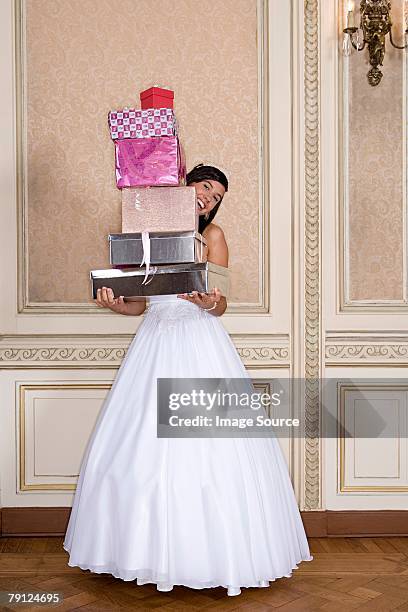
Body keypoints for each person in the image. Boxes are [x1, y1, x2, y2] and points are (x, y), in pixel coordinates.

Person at [63, 164, 313, 597]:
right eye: (204, 188)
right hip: (154, 344)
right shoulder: (146, 232)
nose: (208, 199)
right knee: (139, 448)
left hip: (200, 343)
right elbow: (138, 305)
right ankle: (143, 554)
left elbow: (220, 305)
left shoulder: (211, 238)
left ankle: (215, 556)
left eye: (215, 197)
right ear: (184, 185)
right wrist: (111, 303)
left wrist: (208, 301)